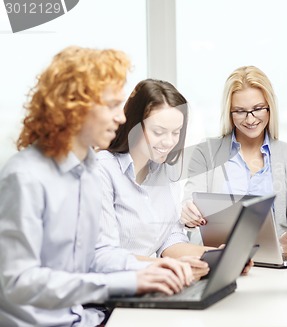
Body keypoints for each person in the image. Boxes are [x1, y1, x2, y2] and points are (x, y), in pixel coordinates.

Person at [0, 47, 193, 327]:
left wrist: (151, 268)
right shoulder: (25, 177)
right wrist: (126, 280)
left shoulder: (87, 169)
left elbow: (98, 253)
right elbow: (18, 281)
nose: (122, 118)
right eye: (112, 105)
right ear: (74, 107)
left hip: (83, 318)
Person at [181, 66, 287, 254]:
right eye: (240, 111)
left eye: (258, 109)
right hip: (219, 260)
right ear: (229, 112)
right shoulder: (206, 152)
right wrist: (188, 215)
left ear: (270, 107)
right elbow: (190, 212)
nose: (250, 120)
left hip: (276, 265)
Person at [96, 79, 212, 279]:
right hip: (109, 296)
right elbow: (105, 256)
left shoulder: (163, 171)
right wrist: (169, 267)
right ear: (133, 125)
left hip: (150, 284)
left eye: (176, 133)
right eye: (158, 132)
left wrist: (213, 257)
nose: (169, 142)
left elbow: (170, 238)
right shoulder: (102, 171)